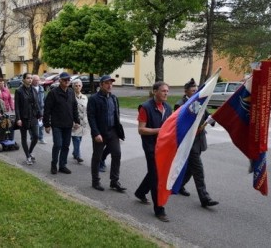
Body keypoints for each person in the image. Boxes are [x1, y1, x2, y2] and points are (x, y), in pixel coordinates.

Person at [174, 78, 219, 208]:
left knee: (190, 168)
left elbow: (206, 115)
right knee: (198, 169)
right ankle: (205, 198)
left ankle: (179, 185)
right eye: (193, 90)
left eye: (196, 90)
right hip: (188, 142)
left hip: (199, 140)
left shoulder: (199, 101)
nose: (195, 92)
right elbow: (179, 124)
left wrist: (211, 119)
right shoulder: (180, 104)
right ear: (186, 91)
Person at [135, 81, 172, 222]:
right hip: (150, 147)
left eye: (167, 91)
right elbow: (141, 129)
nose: (166, 93)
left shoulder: (167, 108)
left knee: (153, 172)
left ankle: (140, 192)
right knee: (157, 177)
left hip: (163, 146)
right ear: (155, 91)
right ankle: (159, 210)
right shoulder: (145, 107)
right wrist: (159, 131)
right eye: (163, 91)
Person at [87, 75, 126, 192]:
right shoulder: (93, 98)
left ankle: (114, 181)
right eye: (107, 83)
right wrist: (96, 133)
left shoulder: (113, 98)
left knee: (117, 154)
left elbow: (116, 115)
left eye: (111, 83)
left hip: (112, 131)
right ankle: (95, 181)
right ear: (101, 85)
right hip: (100, 132)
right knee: (97, 157)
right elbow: (91, 117)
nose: (110, 86)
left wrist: (118, 132)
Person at [43, 72, 80, 174]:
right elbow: (47, 109)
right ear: (60, 81)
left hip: (68, 124)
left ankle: (62, 165)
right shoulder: (53, 93)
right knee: (58, 144)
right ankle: (54, 164)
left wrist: (77, 121)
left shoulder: (71, 92)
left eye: (68, 80)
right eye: (65, 80)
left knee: (66, 145)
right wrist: (47, 124)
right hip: (57, 124)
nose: (67, 81)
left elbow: (74, 107)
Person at [15, 73, 41, 165]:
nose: (30, 80)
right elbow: (17, 106)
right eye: (28, 78)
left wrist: (39, 113)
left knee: (36, 136)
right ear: (24, 79)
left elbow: (37, 103)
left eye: (31, 78)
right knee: (24, 137)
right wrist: (18, 118)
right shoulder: (19, 91)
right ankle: (28, 156)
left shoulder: (34, 89)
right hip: (23, 117)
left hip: (33, 116)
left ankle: (29, 152)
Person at [71, 78, 88, 163]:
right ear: (73, 86)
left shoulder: (85, 97)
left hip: (83, 122)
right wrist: (73, 121)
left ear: (81, 86)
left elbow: (87, 110)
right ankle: (78, 155)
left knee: (79, 138)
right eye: (76, 85)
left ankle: (75, 152)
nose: (77, 87)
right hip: (74, 121)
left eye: (79, 85)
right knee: (76, 138)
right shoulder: (70, 96)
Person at [31, 75, 47, 144]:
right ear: (32, 81)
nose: (37, 82)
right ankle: (33, 138)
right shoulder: (30, 88)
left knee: (41, 124)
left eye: (38, 80)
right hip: (33, 110)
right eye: (35, 80)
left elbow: (43, 98)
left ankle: (41, 138)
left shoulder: (41, 88)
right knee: (33, 124)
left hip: (41, 109)